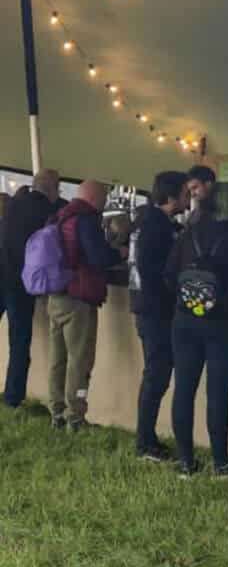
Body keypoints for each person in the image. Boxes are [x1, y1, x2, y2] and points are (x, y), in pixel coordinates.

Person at [164, 183, 228, 477]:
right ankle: (221, 462)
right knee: (218, 394)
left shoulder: (189, 233)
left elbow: (169, 275)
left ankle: (186, 461)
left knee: (183, 389)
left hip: (184, 321)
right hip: (224, 322)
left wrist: (193, 298)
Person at [49, 180, 124, 431]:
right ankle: (76, 417)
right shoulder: (86, 220)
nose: (105, 202)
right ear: (93, 197)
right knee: (80, 361)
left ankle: (57, 412)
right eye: (103, 197)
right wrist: (120, 253)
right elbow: (99, 258)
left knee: (57, 359)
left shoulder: (60, 216)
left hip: (56, 295)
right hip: (78, 298)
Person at [129, 171, 189, 462]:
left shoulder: (147, 220)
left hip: (147, 307)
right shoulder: (157, 226)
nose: (189, 198)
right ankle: (145, 443)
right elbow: (151, 270)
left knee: (157, 374)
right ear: (172, 195)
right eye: (185, 193)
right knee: (156, 375)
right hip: (155, 311)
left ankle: (147, 439)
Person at [1, 170, 60, 408]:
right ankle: (13, 397)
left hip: (1, 273)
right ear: (53, 188)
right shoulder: (47, 211)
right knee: (19, 341)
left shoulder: (15, 203)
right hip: (20, 283)